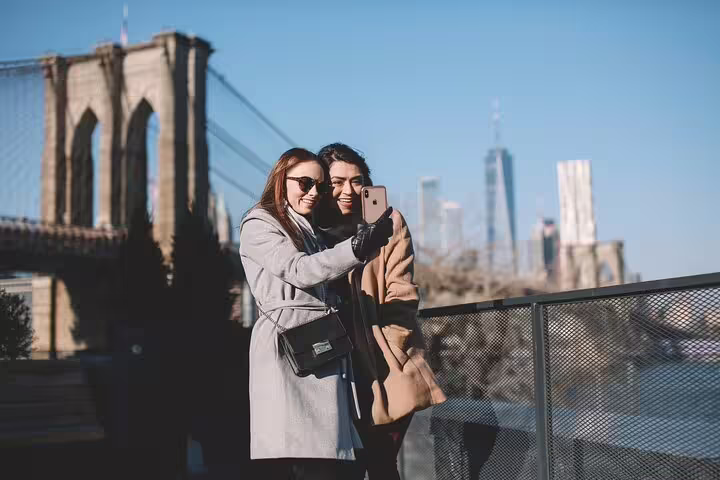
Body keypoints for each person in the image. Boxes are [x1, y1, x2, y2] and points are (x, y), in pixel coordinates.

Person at [238, 147, 394, 479]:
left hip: (321, 346)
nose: (313, 193)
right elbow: (298, 270)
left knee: (331, 461)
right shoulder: (259, 222)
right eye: (305, 183)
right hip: (292, 350)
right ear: (282, 181)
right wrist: (356, 247)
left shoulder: (306, 228)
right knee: (303, 458)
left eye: (320, 187)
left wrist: (365, 241)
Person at [316, 143, 447, 480]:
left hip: (382, 364)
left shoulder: (387, 222)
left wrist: (391, 346)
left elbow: (402, 291)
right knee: (339, 467)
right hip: (329, 363)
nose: (348, 190)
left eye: (356, 180)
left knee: (382, 464)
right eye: (337, 182)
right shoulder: (310, 228)